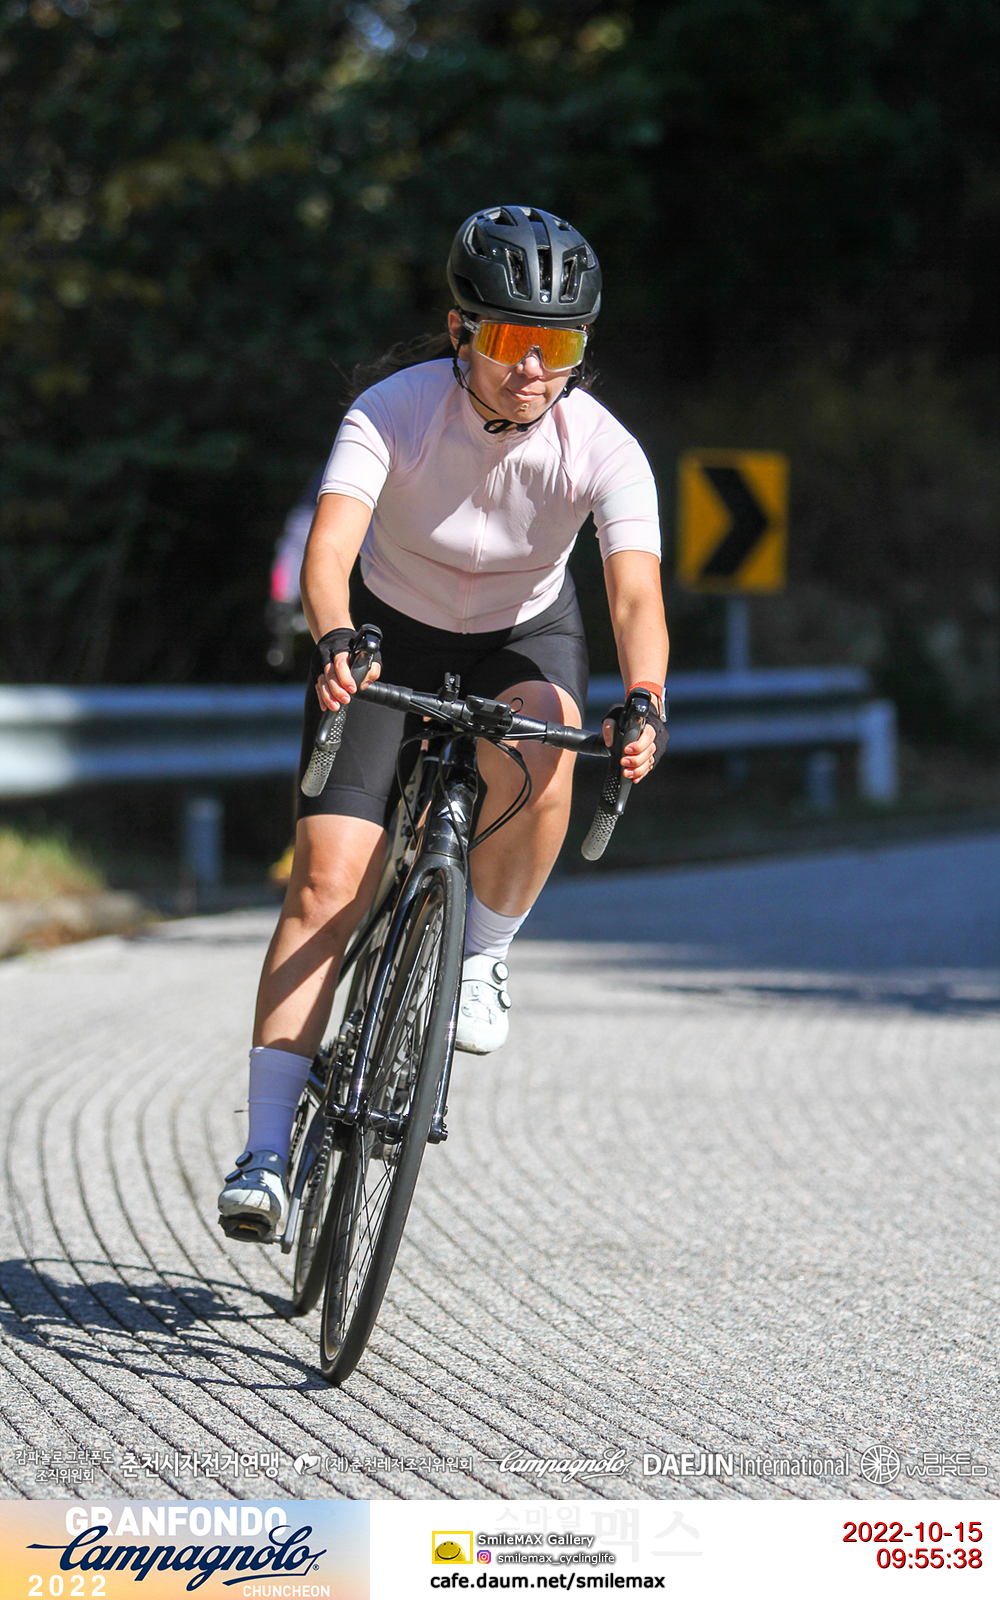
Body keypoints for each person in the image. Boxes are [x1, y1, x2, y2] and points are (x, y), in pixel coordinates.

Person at [218, 205, 669, 1241]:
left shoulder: (601, 446)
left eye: (560, 346)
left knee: (548, 743)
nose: (534, 370)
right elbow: (329, 552)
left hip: (523, 638)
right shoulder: (393, 410)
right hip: (388, 635)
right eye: (511, 340)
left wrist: (645, 696)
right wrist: (335, 636)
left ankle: (483, 952)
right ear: (462, 330)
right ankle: (264, 1153)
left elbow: (635, 592)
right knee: (326, 885)